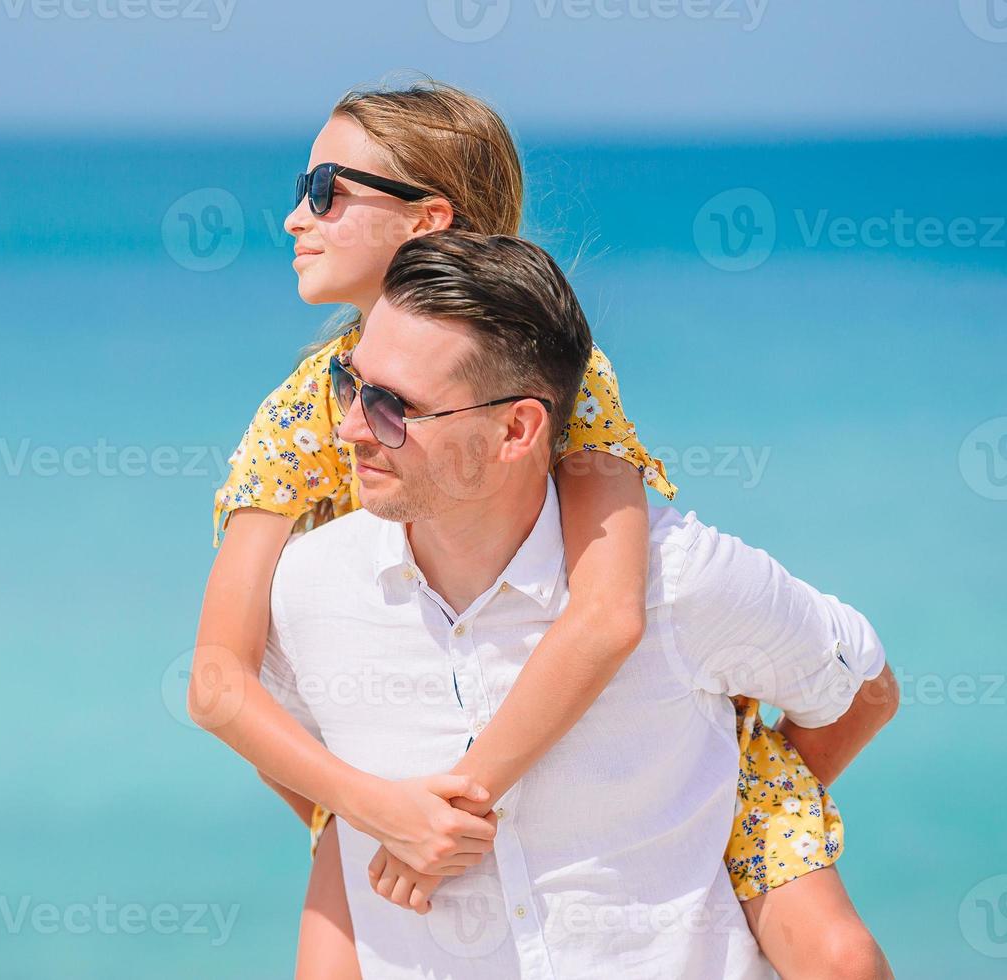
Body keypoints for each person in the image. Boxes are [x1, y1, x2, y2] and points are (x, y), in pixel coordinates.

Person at [190, 77, 894, 978]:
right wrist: (380, 808)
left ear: (428, 221)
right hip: (379, 753)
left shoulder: (558, 371)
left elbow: (608, 612)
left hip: (517, 740)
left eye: (326, 191)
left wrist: (635, 808)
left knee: (839, 956)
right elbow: (221, 680)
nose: (295, 216)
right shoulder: (297, 416)